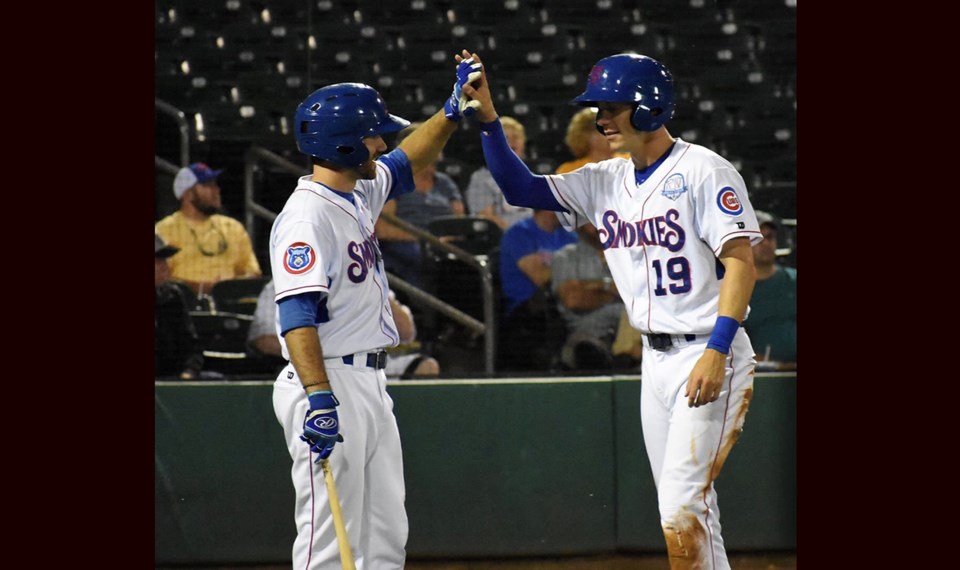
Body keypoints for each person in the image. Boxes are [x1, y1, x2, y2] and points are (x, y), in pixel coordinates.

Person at [460, 49, 762, 569]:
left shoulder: (704, 170)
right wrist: (488, 117)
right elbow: (518, 187)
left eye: (612, 106)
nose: (601, 117)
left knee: (681, 505)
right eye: (598, 107)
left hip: (708, 349)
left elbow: (741, 262)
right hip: (654, 357)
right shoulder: (604, 178)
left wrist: (716, 349)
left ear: (647, 107)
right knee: (685, 506)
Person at [269, 59, 480, 570]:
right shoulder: (306, 218)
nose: (381, 145)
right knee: (327, 543)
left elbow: (409, 157)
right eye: (372, 137)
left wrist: (451, 113)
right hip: (328, 380)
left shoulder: (356, 190)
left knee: (386, 534)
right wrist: (319, 397)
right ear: (343, 144)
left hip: (369, 381)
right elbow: (297, 316)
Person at [248, 281, 439, 379]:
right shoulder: (285, 283)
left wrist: (375, 287)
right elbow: (265, 342)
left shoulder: (363, 281)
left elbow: (406, 333)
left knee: (426, 367)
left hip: (369, 367)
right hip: (314, 370)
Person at [374, 122, 465, 290]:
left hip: (446, 243)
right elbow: (383, 230)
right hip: (409, 244)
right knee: (423, 257)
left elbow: (459, 222)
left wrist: (447, 241)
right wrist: (428, 241)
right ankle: (426, 310)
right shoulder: (393, 180)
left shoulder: (445, 183)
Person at [155, 162, 262, 296]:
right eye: (207, 185)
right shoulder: (164, 229)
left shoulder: (233, 227)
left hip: (231, 303)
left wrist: (225, 287)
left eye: (215, 185)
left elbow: (252, 272)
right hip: (186, 303)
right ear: (188, 194)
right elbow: (160, 277)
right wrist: (199, 288)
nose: (216, 190)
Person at [550, 223, 625, 371]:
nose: (601, 225)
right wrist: (612, 288)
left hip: (633, 331)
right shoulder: (566, 256)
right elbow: (574, 300)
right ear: (579, 225)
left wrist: (594, 288)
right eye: (592, 219)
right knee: (586, 350)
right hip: (586, 335)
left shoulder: (628, 254)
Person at [498, 209, 577, 316]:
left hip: (564, 301)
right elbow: (541, 277)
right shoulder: (519, 233)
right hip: (527, 310)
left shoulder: (569, 235)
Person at [742, 211, 796, 368]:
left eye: (769, 237)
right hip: (757, 376)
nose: (765, 243)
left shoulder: (792, 280)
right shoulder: (737, 290)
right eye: (758, 239)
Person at [465, 116, 533, 230]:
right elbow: (487, 219)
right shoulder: (481, 178)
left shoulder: (531, 176)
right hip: (502, 240)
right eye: (505, 138)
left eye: (516, 137)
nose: (512, 142)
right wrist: (518, 236)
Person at [155, 233, 204, 380]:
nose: (165, 266)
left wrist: (189, 372)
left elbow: (191, 347)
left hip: (172, 380)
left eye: (165, 260)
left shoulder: (171, 296)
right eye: (158, 260)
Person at [555, 107, 631, 174]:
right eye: (603, 129)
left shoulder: (630, 162)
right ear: (584, 135)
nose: (612, 133)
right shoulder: (569, 170)